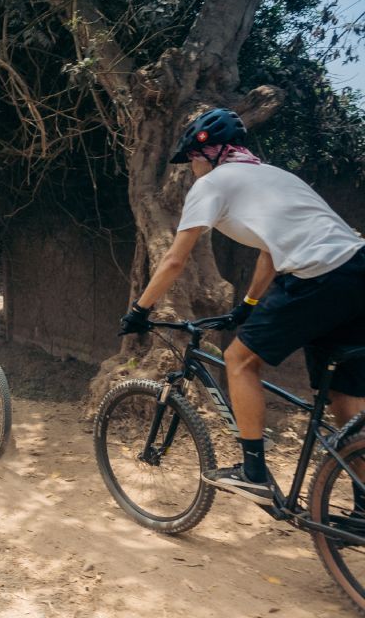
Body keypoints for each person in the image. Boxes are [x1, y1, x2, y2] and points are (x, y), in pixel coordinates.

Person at [120, 107, 365, 504]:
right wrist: (248, 305)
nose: (191, 170)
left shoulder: (212, 184)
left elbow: (174, 260)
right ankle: (362, 507)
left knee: (239, 360)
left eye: (191, 162)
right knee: (343, 394)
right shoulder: (277, 176)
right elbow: (270, 252)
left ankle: (253, 474)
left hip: (317, 276)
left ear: (206, 155)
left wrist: (140, 310)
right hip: (356, 270)